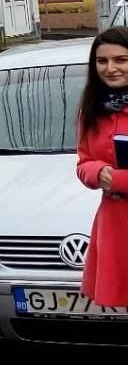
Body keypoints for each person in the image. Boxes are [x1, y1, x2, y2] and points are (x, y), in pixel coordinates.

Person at [76, 27, 128, 306]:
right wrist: (97, 172)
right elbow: (83, 161)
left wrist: (117, 180)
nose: (110, 68)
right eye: (102, 61)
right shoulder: (92, 108)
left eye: (121, 60)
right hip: (116, 226)